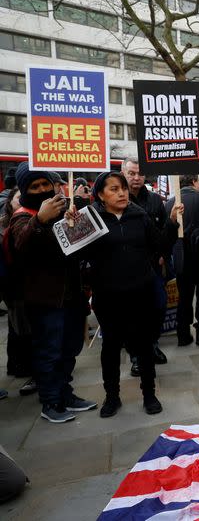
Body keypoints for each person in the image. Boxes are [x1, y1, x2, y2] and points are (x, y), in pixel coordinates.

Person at [82, 171, 182, 418]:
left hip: (142, 292)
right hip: (109, 296)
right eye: (114, 189)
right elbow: (76, 255)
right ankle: (112, 396)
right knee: (112, 347)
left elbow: (160, 245)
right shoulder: (91, 219)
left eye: (123, 188)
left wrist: (171, 222)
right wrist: (72, 227)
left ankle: (149, 394)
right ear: (100, 195)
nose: (122, 193)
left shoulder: (139, 215)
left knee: (145, 346)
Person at [8, 162, 96, 423]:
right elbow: (22, 244)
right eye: (35, 186)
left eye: (46, 184)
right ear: (25, 190)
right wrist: (39, 220)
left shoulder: (63, 212)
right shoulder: (22, 216)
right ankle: (50, 401)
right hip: (45, 300)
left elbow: (75, 248)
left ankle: (64, 393)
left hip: (71, 296)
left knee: (70, 349)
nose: (43, 189)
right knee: (49, 351)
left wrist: (77, 224)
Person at [121, 157, 168, 369]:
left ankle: (152, 344)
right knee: (131, 313)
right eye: (131, 173)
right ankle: (136, 355)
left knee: (158, 306)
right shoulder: (116, 199)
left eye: (140, 173)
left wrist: (162, 254)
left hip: (152, 266)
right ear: (123, 173)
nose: (136, 178)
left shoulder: (156, 201)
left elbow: (165, 232)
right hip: (127, 268)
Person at [165, 175, 199, 347]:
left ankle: (183, 334)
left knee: (184, 297)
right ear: (195, 182)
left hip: (180, 256)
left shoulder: (170, 202)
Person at [1, 188, 35, 396]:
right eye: (17, 198)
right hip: (13, 285)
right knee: (19, 329)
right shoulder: (7, 225)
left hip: (29, 285)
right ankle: (20, 365)